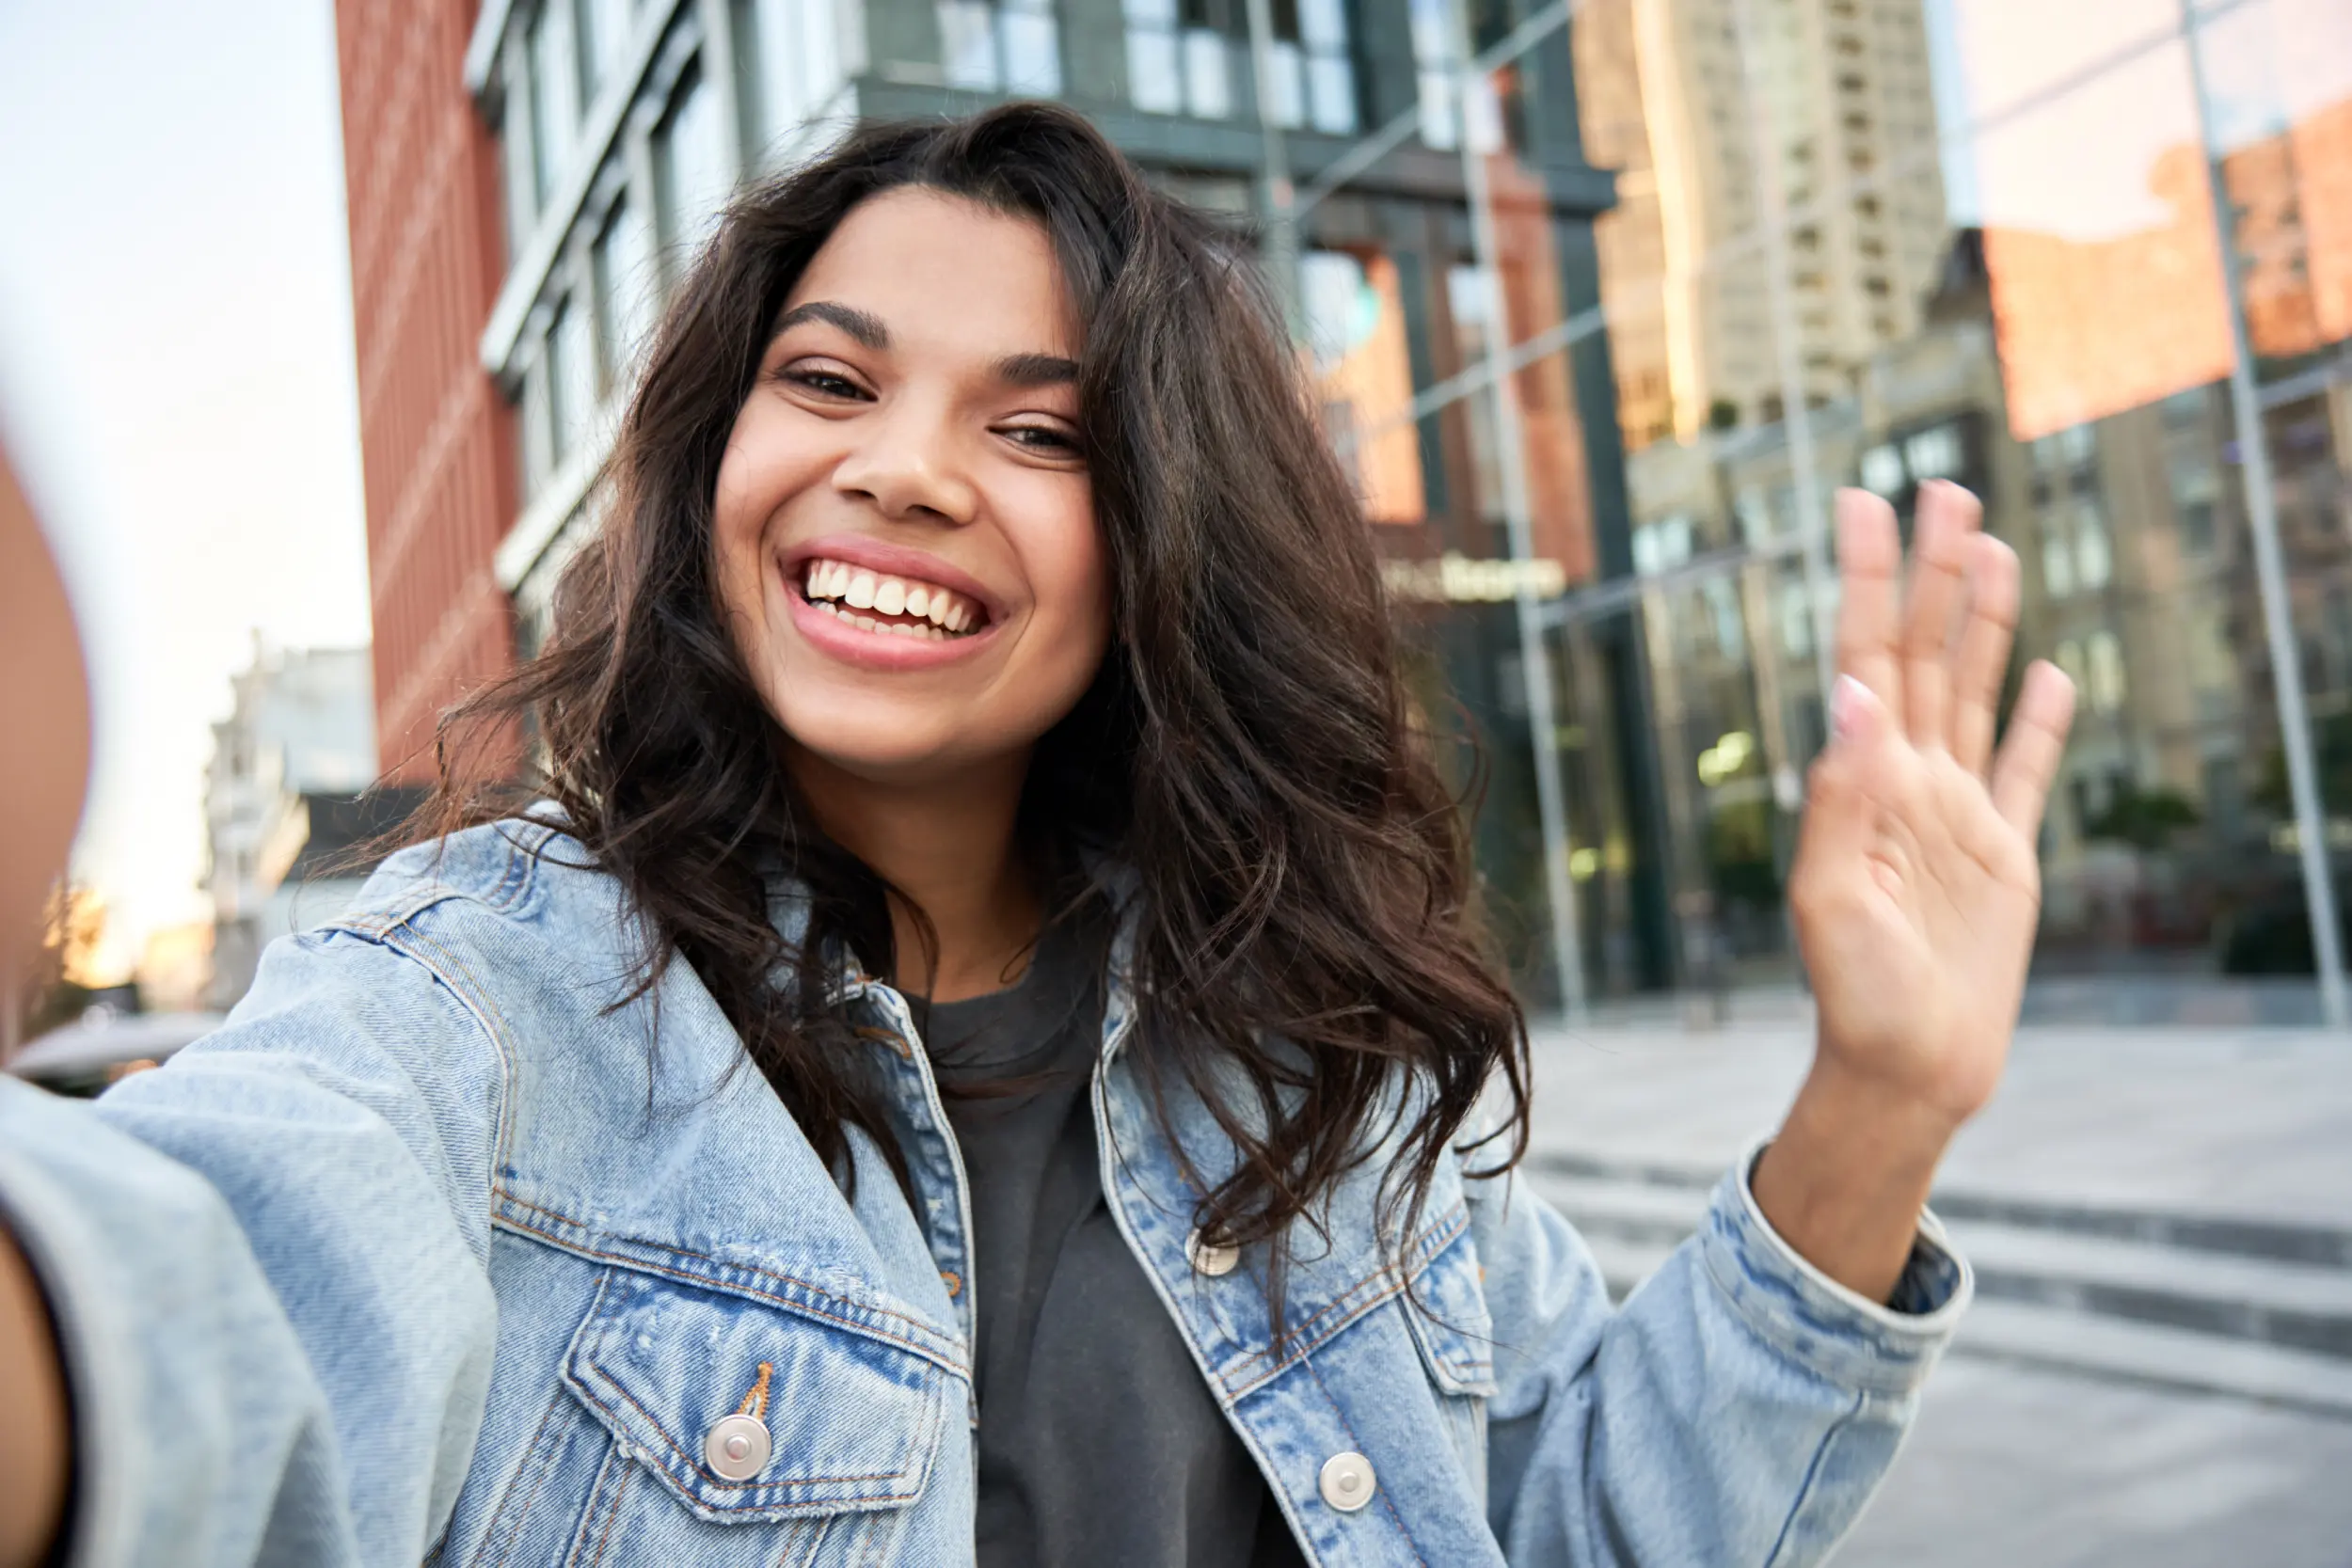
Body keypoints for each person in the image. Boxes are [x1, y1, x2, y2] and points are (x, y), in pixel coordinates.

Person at [0, 103, 2074, 1567]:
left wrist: (1877, 1092)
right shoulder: (480, 995)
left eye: (1034, 427)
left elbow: (1573, 1521)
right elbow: (219, 1303)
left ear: (1161, 541)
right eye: (829, 379)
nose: (900, 470)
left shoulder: (1307, 1063)